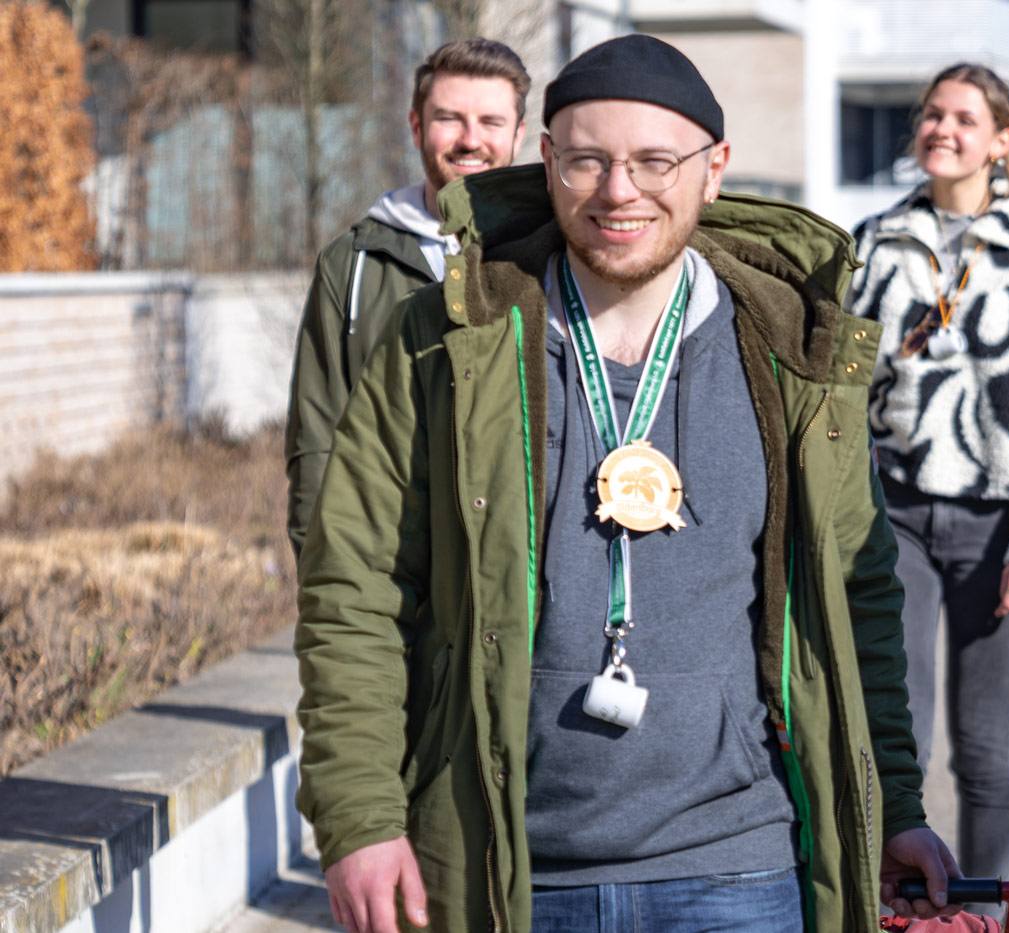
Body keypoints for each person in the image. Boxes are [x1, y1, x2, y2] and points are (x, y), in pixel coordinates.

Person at [295, 34, 957, 933]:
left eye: (655, 162)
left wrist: (898, 805)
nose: (619, 192)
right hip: (509, 868)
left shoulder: (794, 357)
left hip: (738, 867)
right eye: (587, 161)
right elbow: (356, 591)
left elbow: (857, 597)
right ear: (548, 159)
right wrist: (361, 819)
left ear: (714, 169)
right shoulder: (441, 342)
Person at [843, 62, 1009, 885]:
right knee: (895, 730)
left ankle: (986, 909)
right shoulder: (873, 240)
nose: (941, 129)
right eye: (931, 115)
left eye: (964, 119)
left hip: (997, 522)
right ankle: (893, 901)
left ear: (1001, 142)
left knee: (983, 743)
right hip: (895, 515)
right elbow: (841, 388)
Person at [283, 37, 529, 553]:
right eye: (449, 119)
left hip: (524, 572)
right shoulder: (354, 264)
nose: (470, 140)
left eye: (490, 122)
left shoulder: (553, 257)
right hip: (395, 570)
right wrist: (321, 577)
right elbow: (319, 438)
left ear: (519, 134)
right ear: (416, 126)